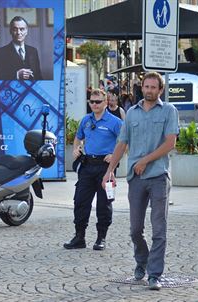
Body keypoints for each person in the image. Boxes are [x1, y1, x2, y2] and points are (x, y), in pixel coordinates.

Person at [102, 72, 179, 290]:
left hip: (159, 176)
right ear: (142, 88)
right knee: (135, 229)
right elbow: (121, 144)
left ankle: (154, 274)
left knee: (158, 229)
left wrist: (145, 160)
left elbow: (170, 143)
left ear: (160, 90)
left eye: (154, 87)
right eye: (146, 86)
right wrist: (109, 171)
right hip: (135, 178)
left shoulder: (169, 111)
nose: (149, 90)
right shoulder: (132, 114)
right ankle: (141, 261)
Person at [63, 89, 123, 251]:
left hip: (106, 167)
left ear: (105, 102)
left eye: (98, 102)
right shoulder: (86, 120)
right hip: (87, 165)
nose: (94, 105)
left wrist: (114, 156)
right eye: (92, 102)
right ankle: (79, 237)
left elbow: (125, 141)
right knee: (80, 201)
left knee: (104, 203)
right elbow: (78, 137)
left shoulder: (115, 122)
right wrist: (76, 148)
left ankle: (101, 237)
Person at [0, 16, 42, 80]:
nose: (18, 32)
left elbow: (39, 76)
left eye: (22, 29)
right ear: (10, 31)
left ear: (26, 31)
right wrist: (17, 75)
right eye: (15, 29)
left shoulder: (33, 51)